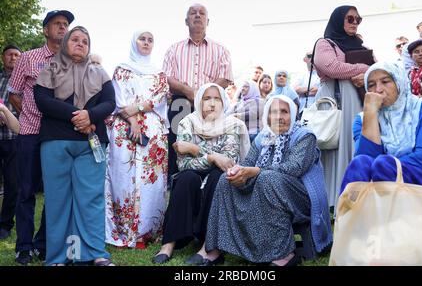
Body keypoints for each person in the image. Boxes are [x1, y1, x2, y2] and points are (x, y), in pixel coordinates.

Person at [201, 95, 332, 266]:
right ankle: (215, 248)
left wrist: (255, 171)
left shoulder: (304, 136)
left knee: (267, 178)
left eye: (284, 112)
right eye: (274, 112)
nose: (279, 117)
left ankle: (284, 254)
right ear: (268, 116)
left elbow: (293, 168)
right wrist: (237, 173)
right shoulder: (264, 136)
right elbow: (247, 163)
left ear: (293, 115)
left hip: (301, 198)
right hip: (266, 188)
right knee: (226, 180)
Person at [34, 26, 116, 266]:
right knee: (58, 200)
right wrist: (79, 116)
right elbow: (43, 101)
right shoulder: (49, 69)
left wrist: (90, 115)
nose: (80, 44)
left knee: (90, 198)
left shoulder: (99, 72)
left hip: (90, 144)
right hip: (56, 141)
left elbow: (110, 102)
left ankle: (94, 254)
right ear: (65, 43)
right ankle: (59, 257)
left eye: (85, 41)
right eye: (75, 39)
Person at [340, 61, 422, 224]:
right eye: (371, 85)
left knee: (384, 164)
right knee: (360, 162)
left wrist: (384, 168)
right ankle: (349, 224)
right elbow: (366, 160)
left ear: (399, 82)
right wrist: (370, 113)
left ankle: (355, 223)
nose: (378, 90)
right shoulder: (362, 120)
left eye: (385, 82)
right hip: (384, 193)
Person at [153, 83, 250, 264]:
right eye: (206, 98)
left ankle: (209, 245)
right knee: (186, 177)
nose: (212, 104)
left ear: (223, 102)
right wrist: (212, 157)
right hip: (194, 176)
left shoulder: (233, 125)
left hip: (221, 179)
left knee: (217, 177)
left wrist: (194, 149)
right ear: (199, 101)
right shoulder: (187, 122)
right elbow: (184, 164)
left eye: (217, 99)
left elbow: (228, 161)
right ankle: (169, 243)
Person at [8, 9, 74, 265]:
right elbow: (13, 92)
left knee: (55, 192)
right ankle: (23, 246)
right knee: (26, 190)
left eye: (66, 24)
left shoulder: (72, 61)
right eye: (57, 24)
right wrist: (29, 114)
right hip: (31, 133)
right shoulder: (28, 57)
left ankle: (43, 242)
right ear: (46, 30)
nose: (62, 28)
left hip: (58, 135)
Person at [105, 29, 169, 249]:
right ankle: (122, 230)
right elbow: (117, 99)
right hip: (125, 129)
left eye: (151, 39)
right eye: (142, 38)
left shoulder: (160, 73)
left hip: (153, 130)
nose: (146, 42)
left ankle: (146, 233)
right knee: (123, 176)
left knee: (151, 180)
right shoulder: (121, 69)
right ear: (134, 42)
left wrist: (138, 108)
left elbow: (158, 99)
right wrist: (132, 119)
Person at [162, 3, 233, 182]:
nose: (197, 16)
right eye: (193, 13)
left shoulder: (221, 49)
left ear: (207, 21)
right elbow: (167, 78)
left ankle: (210, 176)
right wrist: (188, 91)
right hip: (181, 101)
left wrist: (204, 95)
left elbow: (225, 78)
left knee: (211, 137)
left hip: (211, 102)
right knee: (178, 139)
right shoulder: (173, 49)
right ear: (186, 21)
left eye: (202, 13)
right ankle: (177, 178)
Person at [313, 5, 372, 209]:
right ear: (338, 19)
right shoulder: (325, 43)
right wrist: (363, 69)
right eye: (350, 18)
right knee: (332, 146)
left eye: (358, 19)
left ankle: (353, 196)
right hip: (334, 101)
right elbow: (330, 66)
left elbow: (376, 68)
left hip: (356, 100)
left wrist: (366, 72)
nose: (354, 22)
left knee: (354, 144)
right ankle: (329, 201)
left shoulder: (361, 45)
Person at [0, 45, 21, 240]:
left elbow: (28, 110)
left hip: (14, 138)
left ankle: (5, 225)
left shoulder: (24, 81)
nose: (13, 58)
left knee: (12, 183)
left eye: (17, 55)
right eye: (10, 54)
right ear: (3, 57)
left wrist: (7, 115)